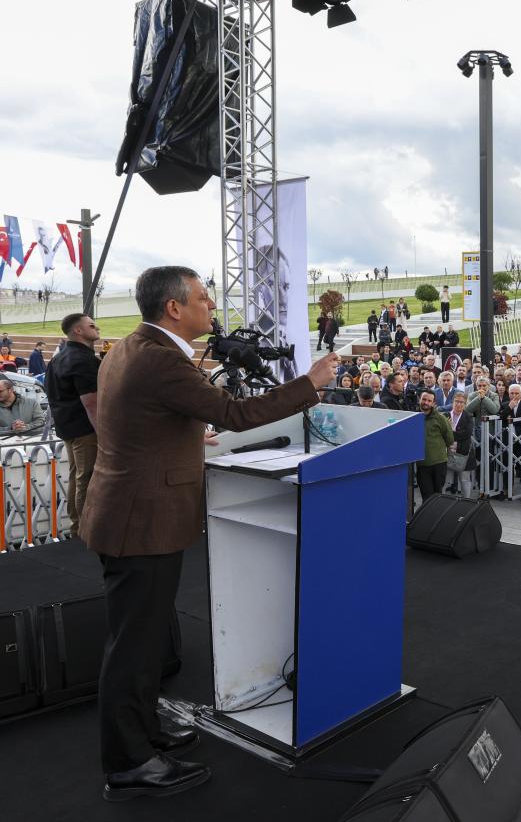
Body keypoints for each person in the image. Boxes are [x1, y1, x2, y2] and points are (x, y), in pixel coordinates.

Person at [81, 266, 337, 801]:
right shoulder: (159, 359)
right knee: (133, 645)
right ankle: (129, 765)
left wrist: (190, 433)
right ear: (174, 308)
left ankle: (144, 735)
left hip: (128, 511)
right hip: (140, 520)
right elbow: (237, 412)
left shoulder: (132, 346)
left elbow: (144, 422)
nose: (211, 305)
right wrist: (308, 385)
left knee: (145, 639)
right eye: (203, 297)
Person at [44, 313, 101, 538]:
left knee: (77, 475)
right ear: (78, 331)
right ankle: (84, 528)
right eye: (91, 325)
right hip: (85, 429)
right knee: (86, 476)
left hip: (68, 428)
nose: (97, 328)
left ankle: (77, 525)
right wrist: (103, 432)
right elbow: (92, 403)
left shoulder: (60, 357)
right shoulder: (82, 359)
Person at [417, 390, 454, 501]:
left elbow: (449, 439)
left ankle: (436, 518)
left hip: (439, 463)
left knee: (437, 496)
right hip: (422, 465)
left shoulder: (440, 418)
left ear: (433, 403)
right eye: (424, 399)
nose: (426, 402)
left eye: (429, 400)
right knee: (426, 496)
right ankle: (426, 518)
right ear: (419, 399)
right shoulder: (413, 417)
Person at [445, 391, 475, 497]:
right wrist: (454, 433)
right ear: (452, 402)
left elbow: (467, 433)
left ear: (465, 404)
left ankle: (466, 502)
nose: (459, 404)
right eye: (457, 401)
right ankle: (441, 502)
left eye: (462, 402)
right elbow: (442, 433)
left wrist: (451, 432)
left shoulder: (469, 417)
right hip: (447, 452)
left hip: (463, 453)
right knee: (445, 479)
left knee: (464, 480)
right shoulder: (445, 415)